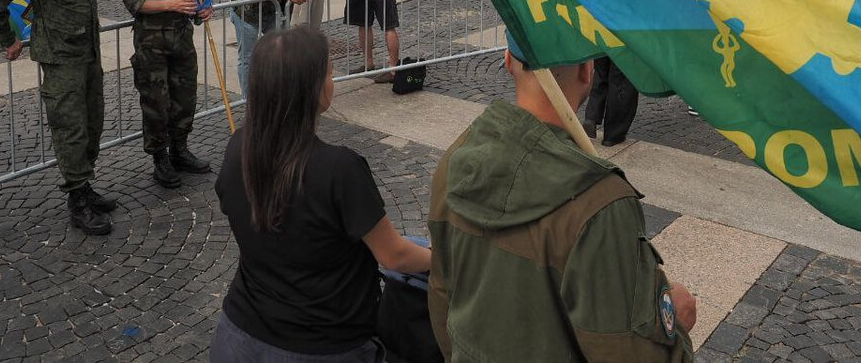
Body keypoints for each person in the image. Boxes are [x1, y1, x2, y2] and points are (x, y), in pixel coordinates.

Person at [427, 33, 698, 361]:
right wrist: (676, 326)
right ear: (588, 71)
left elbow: (443, 297)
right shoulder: (601, 205)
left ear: (508, 60)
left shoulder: (456, 160)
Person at [211, 27, 431, 362]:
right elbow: (395, 256)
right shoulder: (339, 169)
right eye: (329, 73)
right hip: (322, 343)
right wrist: (448, 259)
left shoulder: (236, 147)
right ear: (310, 90)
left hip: (239, 334)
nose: (333, 81)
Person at [0, 0, 115, 236]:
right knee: (70, 127)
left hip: (88, 52)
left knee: (93, 121)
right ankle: (77, 200)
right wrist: (8, 39)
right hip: (60, 58)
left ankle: (85, 184)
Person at [120, 0, 213, 189]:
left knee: (185, 97)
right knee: (156, 103)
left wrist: (201, 5)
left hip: (181, 38)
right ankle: (160, 158)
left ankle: (180, 150)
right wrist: (171, 4)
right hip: (152, 43)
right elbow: (133, 1)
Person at [583, 56, 640, 146]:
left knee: (601, 74)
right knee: (622, 81)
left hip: (603, 42)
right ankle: (613, 135)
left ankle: (591, 117)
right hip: (624, 45)